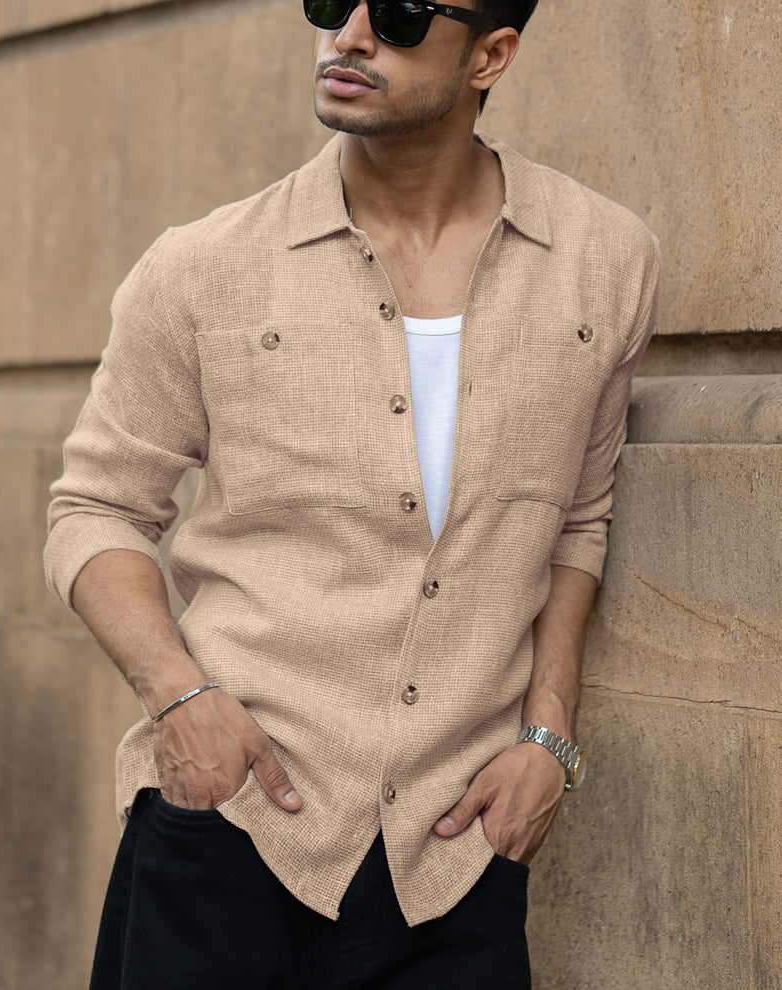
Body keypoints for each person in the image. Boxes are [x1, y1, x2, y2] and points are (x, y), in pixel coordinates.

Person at [44, 0, 659, 985]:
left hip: (457, 853)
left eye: (404, 14)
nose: (351, 36)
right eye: (332, 1)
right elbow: (96, 508)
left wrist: (550, 738)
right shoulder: (203, 267)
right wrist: (180, 698)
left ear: (491, 54)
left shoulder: (605, 260)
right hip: (232, 818)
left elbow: (578, 521)